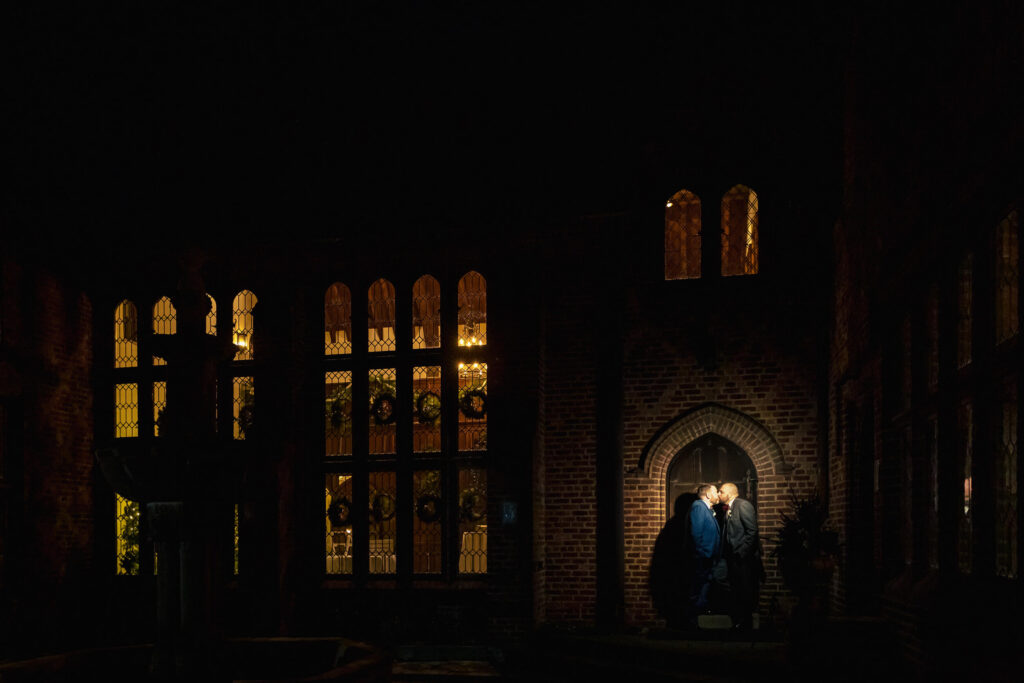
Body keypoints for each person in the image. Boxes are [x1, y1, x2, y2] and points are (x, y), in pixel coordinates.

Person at [718, 482, 763, 631]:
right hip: (732, 558)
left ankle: (746, 625)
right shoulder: (729, 508)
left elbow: (752, 532)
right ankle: (738, 621)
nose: (719, 494)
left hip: (743, 560)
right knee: (735, 590)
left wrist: (741, 554)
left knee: (745, 590)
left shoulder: (742, 505)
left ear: (730, 493)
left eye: (721, 491)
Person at [686, 483, 721, 627]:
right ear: (707, 495)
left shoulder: (706, 509)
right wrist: (702, 555)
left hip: (708, 558)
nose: (718, 495)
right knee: (696, 588)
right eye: (715, 492)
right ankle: (691, 622)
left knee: (703, 587)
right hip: (702, 558)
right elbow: (696, 533)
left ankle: (699, 619)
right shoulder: (699, 507)